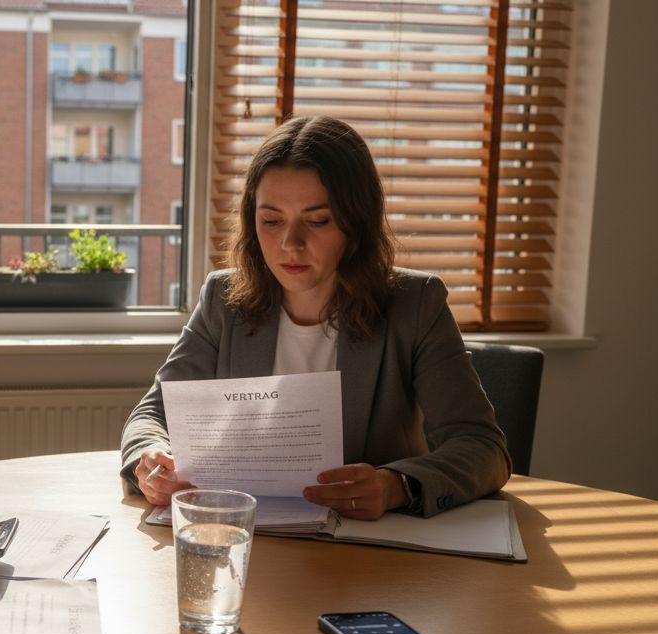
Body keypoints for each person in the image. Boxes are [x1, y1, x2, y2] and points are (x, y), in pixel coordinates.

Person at [121, 115, 509, 520]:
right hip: (247, 539)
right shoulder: (223, 298)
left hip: (373, 552)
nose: (290, 244)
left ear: (356, 223)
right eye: (271, 221)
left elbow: (483, 447)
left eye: (317, 221)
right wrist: (149, 460)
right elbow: (152, 415)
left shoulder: (415, 304)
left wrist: (398, 485)